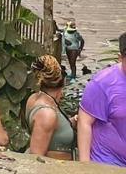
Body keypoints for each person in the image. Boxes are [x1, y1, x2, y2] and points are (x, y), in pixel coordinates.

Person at [78, 31, 126, 164]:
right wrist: (84, 166)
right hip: (108, 161)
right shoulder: (102, 83)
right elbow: (85, 121)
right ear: (120, 58)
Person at [26, 54, 76, 160]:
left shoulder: (34, 97)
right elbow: (36, 158)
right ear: (63, 82)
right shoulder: (47, 114)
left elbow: (55, 129)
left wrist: (74, 120)